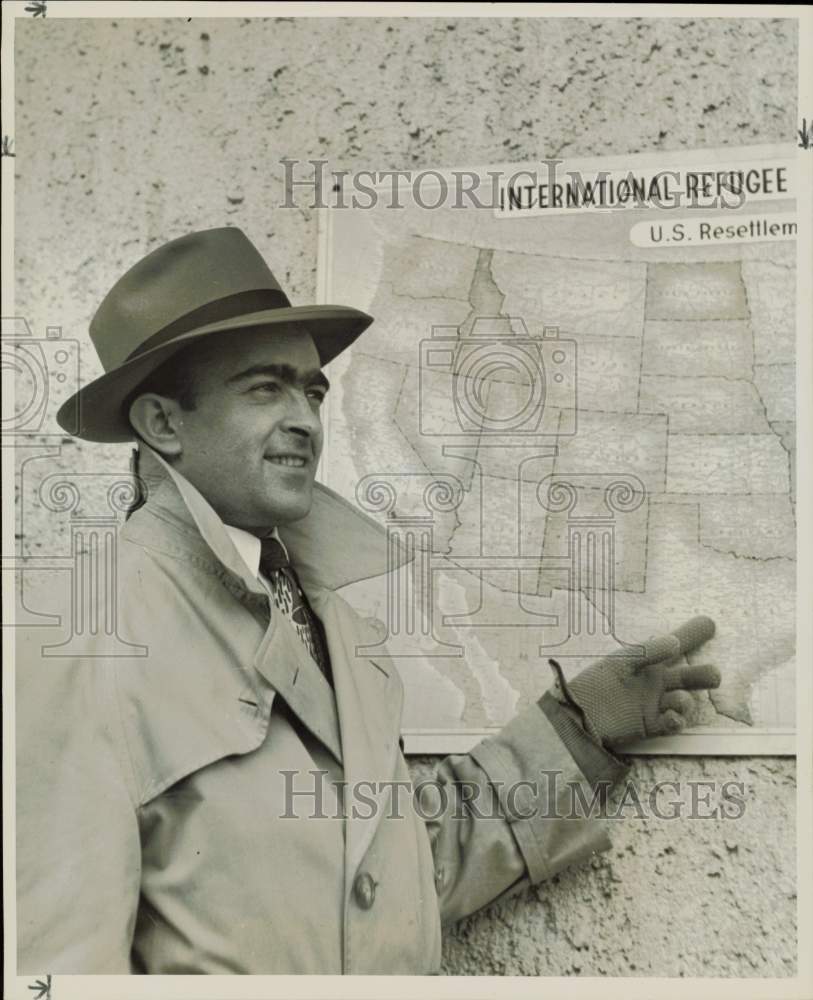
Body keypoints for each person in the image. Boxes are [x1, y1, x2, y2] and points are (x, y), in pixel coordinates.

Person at [16, 227, 721, 974]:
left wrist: (576, 733)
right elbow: (58, 962)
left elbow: (387, 879)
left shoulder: (328, 616)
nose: (304, 419)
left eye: (311, 390)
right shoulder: (83, 637)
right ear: (162, 423)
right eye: (264, 387)